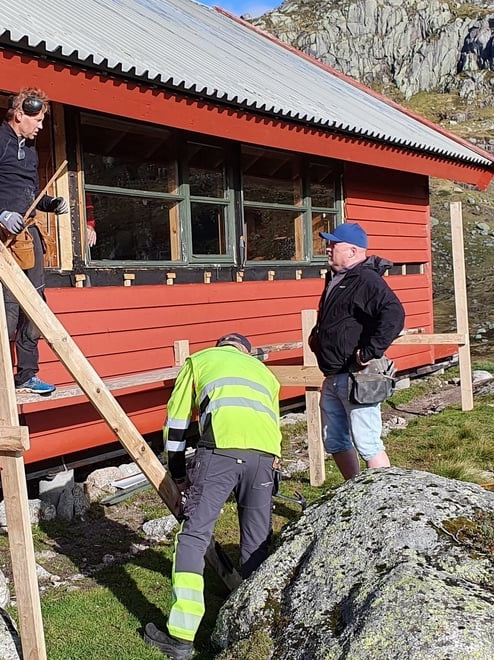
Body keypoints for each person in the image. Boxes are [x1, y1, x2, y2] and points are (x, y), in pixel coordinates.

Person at [144, 333, 282, 660]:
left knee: (194, 535)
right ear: (245, 351)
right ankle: (253, 631)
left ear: (221, 346)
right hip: (265, 457)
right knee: (257, 542)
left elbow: (176, 425)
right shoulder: (266, 374)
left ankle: (179, 637)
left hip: (220, 449)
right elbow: (273, 425)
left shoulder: (200, 361)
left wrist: (177, 474)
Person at [0, 88, 68, 397]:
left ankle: (27, 374)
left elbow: (28, 194)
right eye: (37, 119)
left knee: (35, 306)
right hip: (2, 237)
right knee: (8, 310)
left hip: (28, 235)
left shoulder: (31, 150)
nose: (40, 126)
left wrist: (48, 204)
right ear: (20, 113)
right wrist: (0, 214)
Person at [308, 222, 405, 479]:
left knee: (367, 441)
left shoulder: (365, 279)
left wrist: (370, 352)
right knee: (335, 440)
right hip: (333, 375)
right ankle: (355, 492)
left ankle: (385, 494)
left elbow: (394, 314)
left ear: (352, 251)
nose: (328, 249)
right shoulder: (338, 278)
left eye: (333, 244)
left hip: (358, 376)